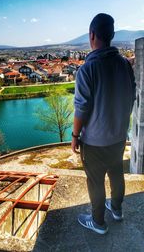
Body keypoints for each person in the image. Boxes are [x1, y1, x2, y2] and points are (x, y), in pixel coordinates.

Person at [71, 13, 136, 234]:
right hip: (118, 136)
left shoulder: (86, 69)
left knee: (95, 181)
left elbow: (81, 108)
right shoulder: (125, 65)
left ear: (92, 35)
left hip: (94, 141)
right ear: (112, 35)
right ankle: (116, 210)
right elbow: (131, 96)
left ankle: (98, 222)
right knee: (117, 173)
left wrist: (74, 136)